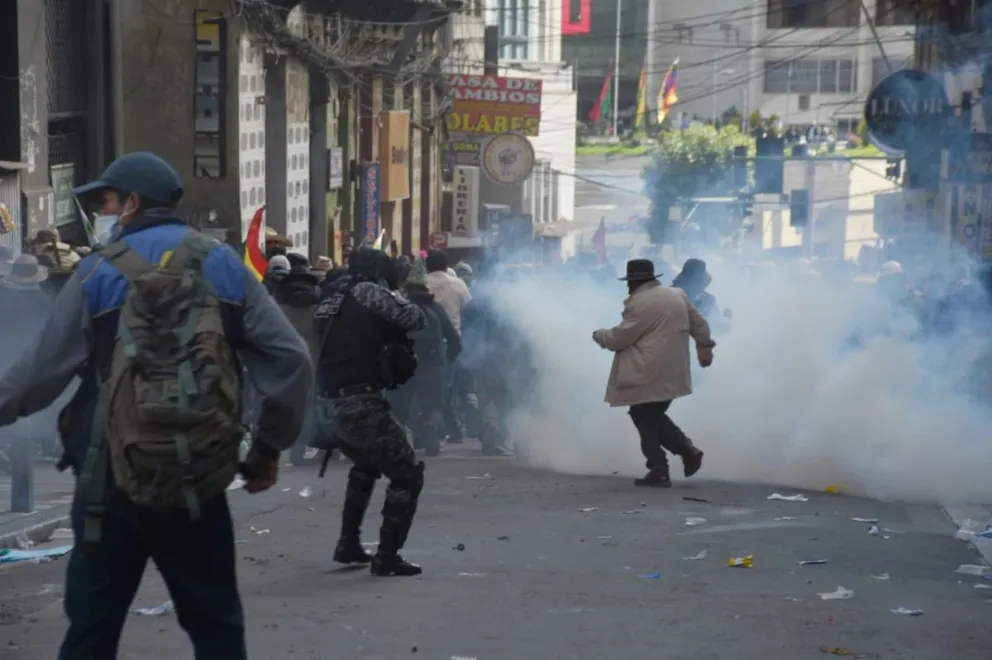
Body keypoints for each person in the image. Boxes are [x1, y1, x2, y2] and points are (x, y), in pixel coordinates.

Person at [0, 151, 313, 660]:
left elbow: (36, 373)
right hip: (196, 475)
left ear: (132, 202)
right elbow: (292, 361)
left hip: (108, 480)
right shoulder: (225, 267)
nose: (103, 212)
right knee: (216, 627)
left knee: (91, 631)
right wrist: (270, 448)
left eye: (105, 201)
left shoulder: (96, 273)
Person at [314, 247, 427, 576]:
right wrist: (396, 295)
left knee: (365, 465)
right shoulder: (367, 292)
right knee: (406, 474)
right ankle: (387, 556)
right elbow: (414, 318)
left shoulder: (330, 297)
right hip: (358, 401)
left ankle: (348, 542)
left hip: (328, 403)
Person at [592, 259, 714, 488]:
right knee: (649, 414)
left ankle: (666, 462)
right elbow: (699, 325)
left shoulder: (640, 303)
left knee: (644, 415)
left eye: (630, 282)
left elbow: (622, 337)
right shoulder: (677, 294)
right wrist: (704, 349)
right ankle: (680, 454)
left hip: (649, 370)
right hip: (675, 367)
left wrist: (601, 336)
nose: (628, 287)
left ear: (637, 281)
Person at [391, 259, 461, 457]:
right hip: (433, 362)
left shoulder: (399, 307)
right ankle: (429, 425)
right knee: (433, 404)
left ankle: (409, 433)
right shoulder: (436, 308)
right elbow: (453, 337)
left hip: (404, 362)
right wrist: (448, 357)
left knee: (400, 405)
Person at [269, 253, 321, 465]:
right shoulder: (318, 308)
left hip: (287, 363)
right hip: (314, 362)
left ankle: (296, 446)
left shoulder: (278, 308)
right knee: (313, 403)